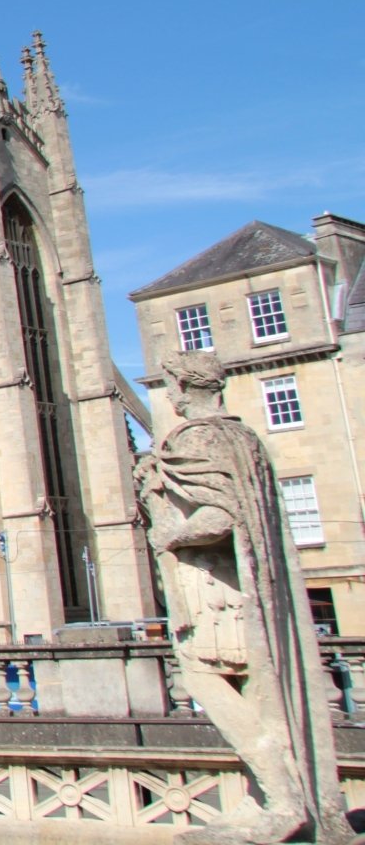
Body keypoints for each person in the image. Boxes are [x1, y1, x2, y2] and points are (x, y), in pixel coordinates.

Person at [136, 351, 349, 843]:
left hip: (218, 593)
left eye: (170, 383)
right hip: (248, 590)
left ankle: (282, 798)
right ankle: (280, 796)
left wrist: (167, 532)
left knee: (211, 683)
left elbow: (220, 515)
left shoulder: (199, 437)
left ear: (183, 388)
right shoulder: (245, 437)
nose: (168, 393)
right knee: (261, 690)